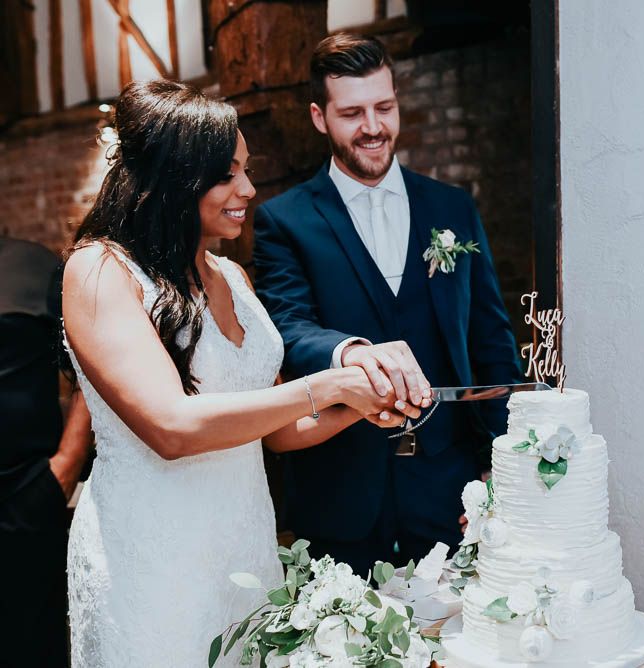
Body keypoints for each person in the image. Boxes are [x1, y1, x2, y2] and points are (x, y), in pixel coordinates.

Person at [62, 79, 420, 667]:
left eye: (246, 171)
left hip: (243, 550)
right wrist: (326, 384)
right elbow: (172, 427)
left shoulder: (233, 279)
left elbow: (275, 429)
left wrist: (360, 403)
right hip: (153, 563)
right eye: (228, 174)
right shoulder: (101, 271)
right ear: (175, 177)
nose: (248, 190)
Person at [254, 33, 521, 576]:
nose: (373, 127)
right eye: (352, 113)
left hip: (452, 489)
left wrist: (502, 460)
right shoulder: (285, 221)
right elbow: (286, 326)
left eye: (384, 107)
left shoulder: (451, 207)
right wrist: (349, 352)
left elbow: (490, 340)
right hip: (341, 492)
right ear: (318, 116)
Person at [0, 237, 93, 668]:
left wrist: (65, 466)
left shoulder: (32, 265)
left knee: (31, 646)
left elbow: (86, 368)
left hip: (25, 493)